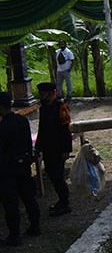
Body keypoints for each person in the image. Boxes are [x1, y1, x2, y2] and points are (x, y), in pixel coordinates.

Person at [0, 92, 40, 246]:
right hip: (23, 164)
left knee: (11, 203)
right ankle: (35, 225)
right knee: (29, 198)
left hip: (8, 169)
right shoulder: (22, 121)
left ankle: (14, 235)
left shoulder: (3, 127)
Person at [35, 82, 73, 216]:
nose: (40, 96)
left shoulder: (61, 107)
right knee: (51, 174)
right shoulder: (44, 108)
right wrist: (38, 147)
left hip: (58, 148)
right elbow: (42, 128)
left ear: (51, 93)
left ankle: (65, 202)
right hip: (47, 148)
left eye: (42, 93)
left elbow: (66, 130)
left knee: (58, 176)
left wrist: (66, 150)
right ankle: (61, 201)